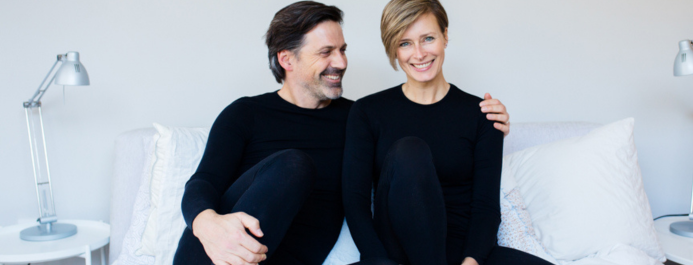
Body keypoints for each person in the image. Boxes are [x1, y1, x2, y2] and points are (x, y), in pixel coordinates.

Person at [173, 1, 512, 265]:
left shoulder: (358, 116)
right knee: (294, 165)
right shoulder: (244, 114)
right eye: (326, 52)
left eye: (342, 49)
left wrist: (490, 123)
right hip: (217, 253)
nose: (341, 62)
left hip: (291, 258)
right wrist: (206, 223)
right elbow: (204, 182)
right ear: (287, 59)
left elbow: (418, 137)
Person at [342, 0, 552, 264]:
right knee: (410, 152)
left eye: (428, 38)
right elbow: (356, 202)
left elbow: (486, 207)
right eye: (405, 43)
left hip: (462, 252)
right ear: (393, 50)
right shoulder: (367, 112)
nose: (418, 54)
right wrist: (376, 259)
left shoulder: (483, 114)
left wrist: (472, 260)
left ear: (445, 36)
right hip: (398, 255)